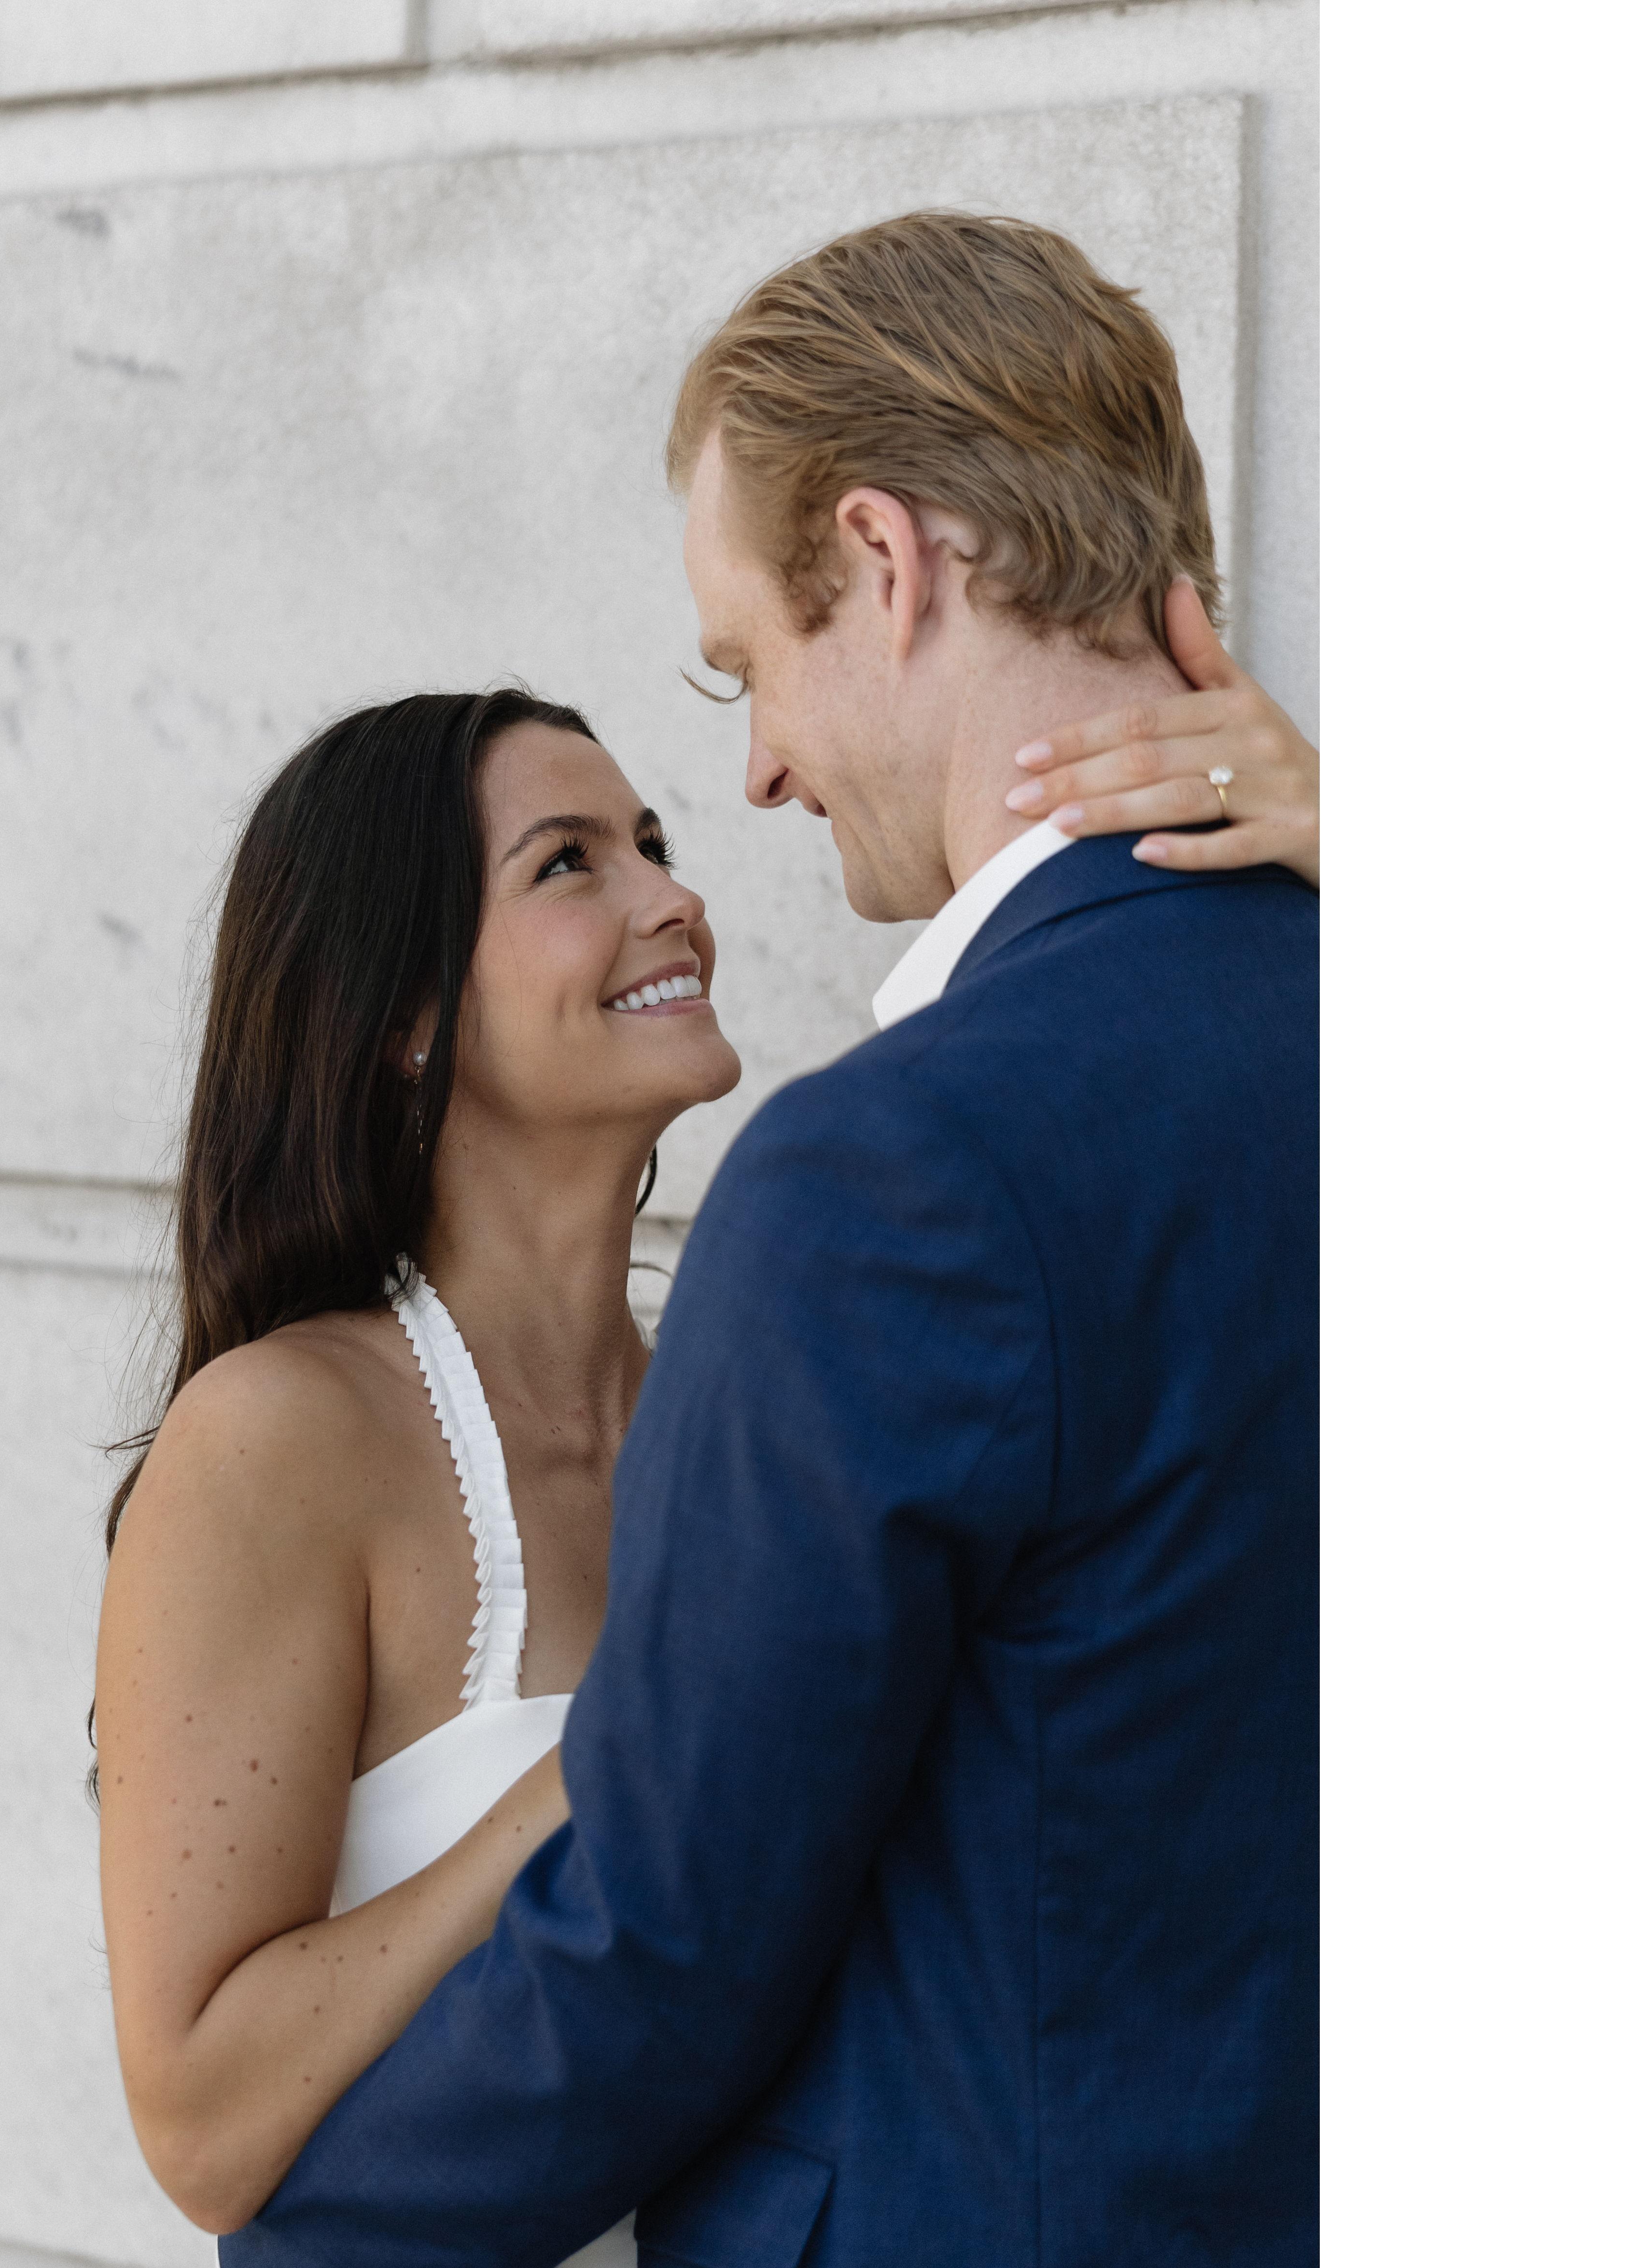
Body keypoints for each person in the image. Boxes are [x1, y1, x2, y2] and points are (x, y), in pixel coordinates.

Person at [97, 213, 1318, 2263]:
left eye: (747, 667)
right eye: (574, 859)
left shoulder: (894, 1180)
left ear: (888, 562)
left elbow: (665, 1948)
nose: (747, 785)